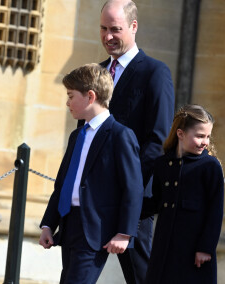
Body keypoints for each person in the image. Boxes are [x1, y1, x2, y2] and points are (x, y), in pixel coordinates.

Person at [39, 63, 144, 284]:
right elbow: (63, 184)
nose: (67, 102)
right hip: (69, 225)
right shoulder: (77, 136)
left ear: (90, 96)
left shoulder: (120, 135)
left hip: (95, 229)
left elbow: (133, 188)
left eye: (71, 96)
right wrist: (48, 224)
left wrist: (124, 233)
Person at [99, 0, 175, 284]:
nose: (108, 36)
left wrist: (130, 188)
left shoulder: (155, 72)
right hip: (94, 196)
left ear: (133, 27)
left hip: (134, 197)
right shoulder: (97, 72)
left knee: (141, 274)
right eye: (103, 28)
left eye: (115, 29)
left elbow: (157, 140)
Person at [143, 104, 224, 284]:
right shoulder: (163, 164)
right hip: (164, 248)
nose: (205, 142)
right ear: (180, 134)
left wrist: (205, 248)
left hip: (194, 250)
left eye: (208, 136)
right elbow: (156, 202)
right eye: (200, 136)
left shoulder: (210, 166)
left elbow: (215, 212)